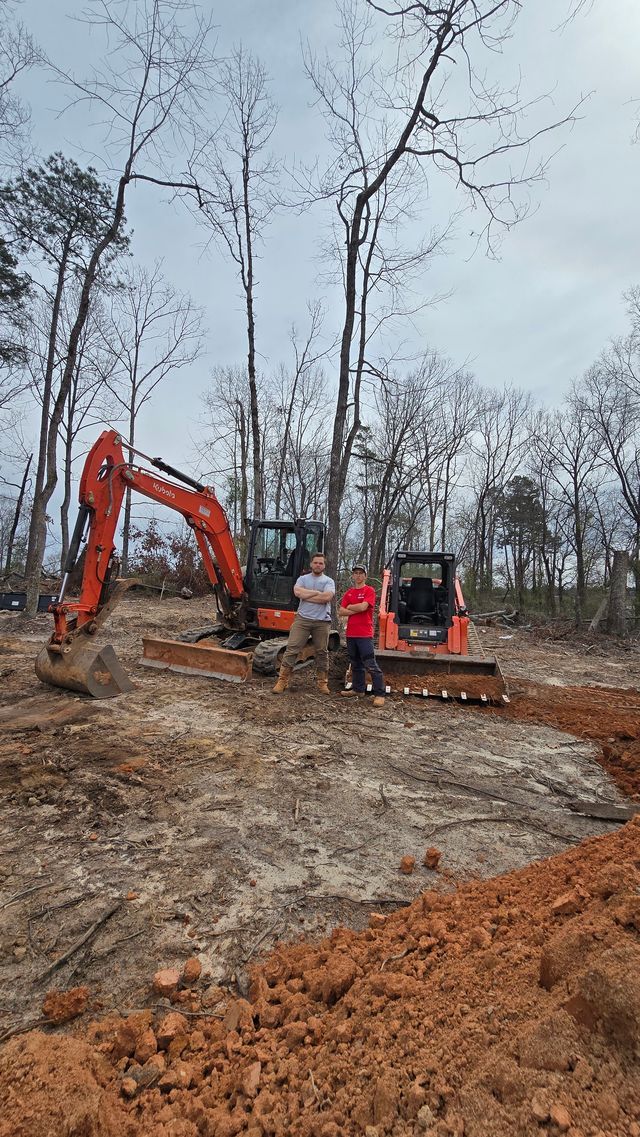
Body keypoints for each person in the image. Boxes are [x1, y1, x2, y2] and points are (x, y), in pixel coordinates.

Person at [272, 552, 335, 695]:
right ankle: (282, 681)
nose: (318, 565)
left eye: (321, 563)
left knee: (322, 652)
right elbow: (298, 593)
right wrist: (316, 593)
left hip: (322, 622)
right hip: (302, 619)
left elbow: (326, 597)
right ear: (311, 564)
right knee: (292, 648)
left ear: (324, 565)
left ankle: (322, 683)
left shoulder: (329, 581)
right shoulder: (302, 579)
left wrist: (308, 595)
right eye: (316, 562)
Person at [338, 564, 386, 708]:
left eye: (361, 573)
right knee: (356, 664)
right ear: (353, 576)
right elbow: (341, 611)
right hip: (351, 634)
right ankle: (358, 690)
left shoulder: (369, 590)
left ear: (365, 576)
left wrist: (351, 607)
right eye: (356, 573)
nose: (358, 576)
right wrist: (356, 607)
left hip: (364, 634)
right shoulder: (349, 593)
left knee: (370, 664)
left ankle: (379, 694)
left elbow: (364, 607)